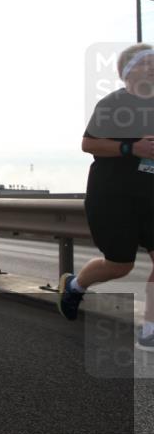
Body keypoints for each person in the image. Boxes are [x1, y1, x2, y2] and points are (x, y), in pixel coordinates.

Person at [59, 43, 154, 351]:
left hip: (151, 196)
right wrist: (131, 148)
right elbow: (89, 144)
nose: (152, 67)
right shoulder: (113, 104)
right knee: (119, 265)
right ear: (127, 71)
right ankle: (74, 286)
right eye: (145, 62)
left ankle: (150, 328)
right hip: (113, 197)